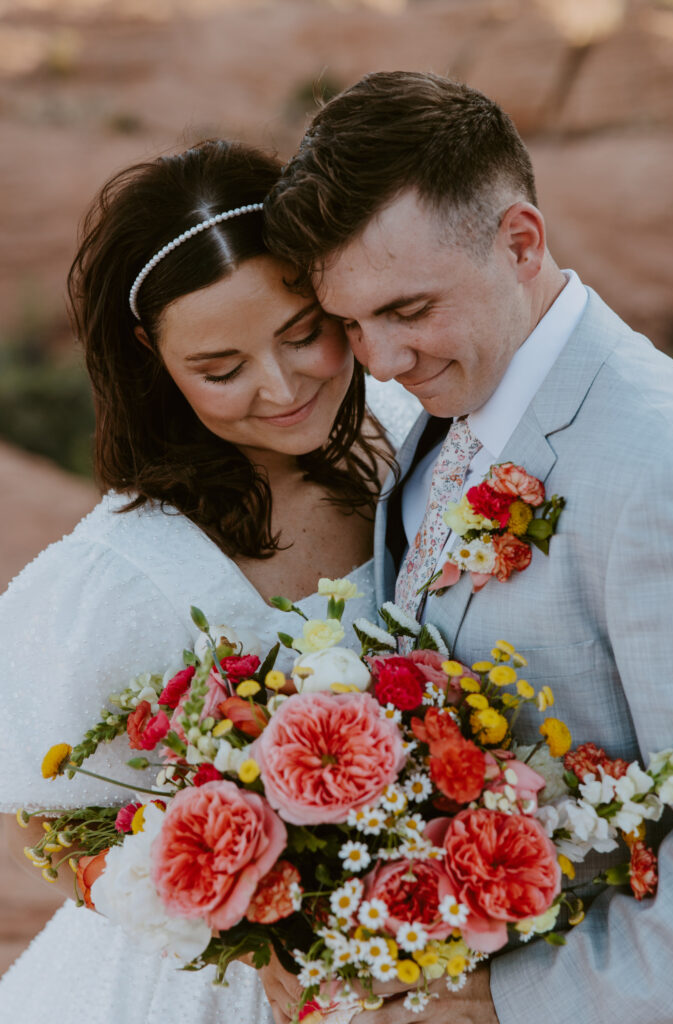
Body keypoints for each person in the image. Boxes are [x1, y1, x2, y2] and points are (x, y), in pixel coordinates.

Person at [263, 72, 673, 1023]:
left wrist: (499, 1002)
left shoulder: (660, 467)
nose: (381, 362)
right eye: (350, 323)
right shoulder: (446, 403)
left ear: (521, 243)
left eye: (409, 310)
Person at [0, 138, 419, 1024]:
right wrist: (223, 916)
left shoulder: (409, 426)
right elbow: (44, 814)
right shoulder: (121, 575)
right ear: (152, 355)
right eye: (220, 371)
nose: (281, 387)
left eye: (303, 334)